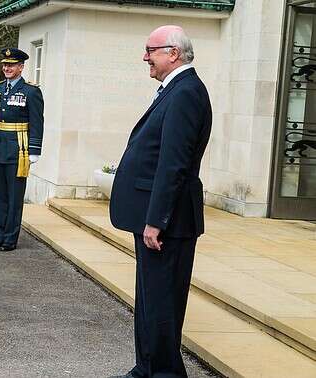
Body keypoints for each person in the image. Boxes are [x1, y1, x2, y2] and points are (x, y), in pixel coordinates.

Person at [109, 25, 212, 378]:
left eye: (150, 50)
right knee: (150, 302)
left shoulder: (186, 93)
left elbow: (174, 163)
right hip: (155, 217)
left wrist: (157, 220)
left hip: (168, 221)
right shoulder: (174, 90)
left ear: (173, 53)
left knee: (162, 304)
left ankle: (165, 374)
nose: (144, 57)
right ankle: (147, 369)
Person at [0, 47, 44, 252]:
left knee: (14, 195)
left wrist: (34, 150)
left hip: (19, 148)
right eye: (5, 65)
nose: (7, 68)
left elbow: (37, 122)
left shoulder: (31, 92)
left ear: (21, 67)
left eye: (11, 65)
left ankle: (10, 238)